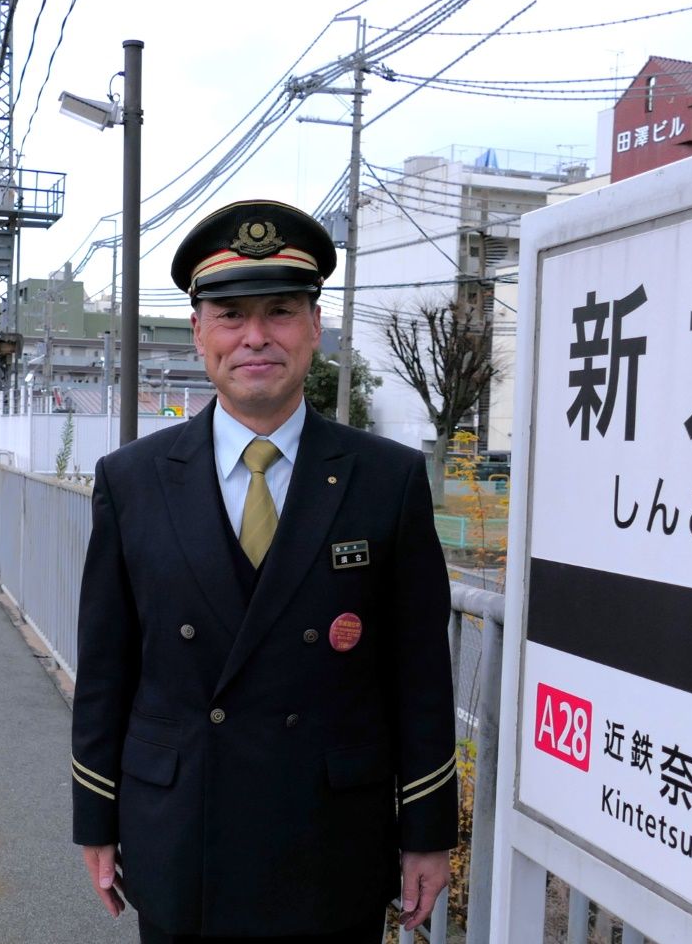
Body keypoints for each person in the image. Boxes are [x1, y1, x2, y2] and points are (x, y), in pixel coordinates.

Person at [72, 199, 458, 943]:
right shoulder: (133, 480)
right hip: (183, 829)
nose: (256, 337)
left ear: (315, 328)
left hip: (330, 836)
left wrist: (427, 832)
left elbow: (419, 674)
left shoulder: (387, 480)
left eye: (280, 312)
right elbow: (107, 670)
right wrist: (97, 816)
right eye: (230, 315)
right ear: (198, 332)